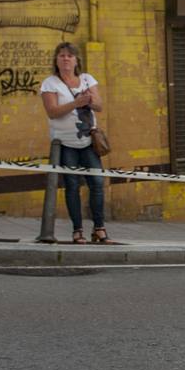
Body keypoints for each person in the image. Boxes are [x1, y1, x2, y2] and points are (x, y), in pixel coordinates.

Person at [40, 42, 115, 245]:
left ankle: (99, 228)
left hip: (89, 141)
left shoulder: (86, 79)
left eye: (70, 56)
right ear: (56, 60)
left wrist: (88, 100)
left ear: (76, 60)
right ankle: (77, 230)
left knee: (97, 184)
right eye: (62, 55)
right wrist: (76, 103)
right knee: (72, 185)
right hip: (65, 143)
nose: (66, 59)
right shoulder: (50, 83)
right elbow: (52, 112)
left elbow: (99, 105)